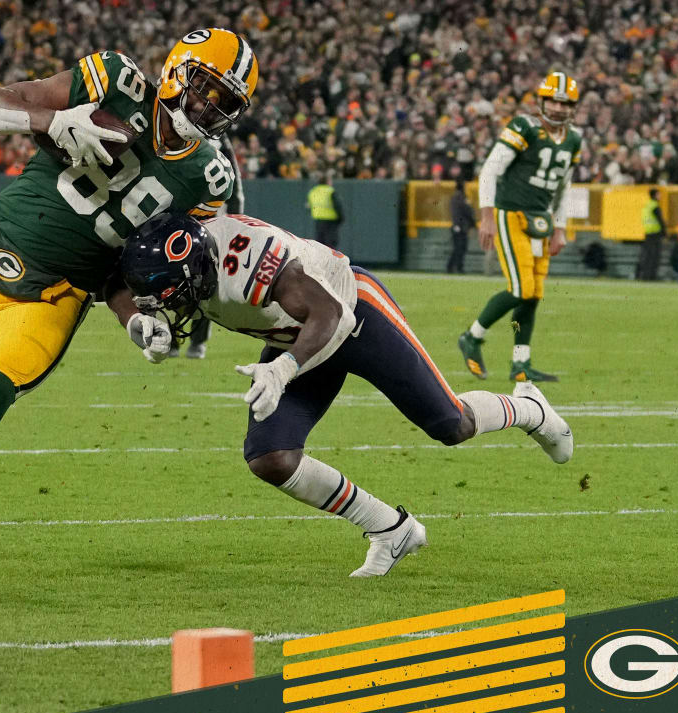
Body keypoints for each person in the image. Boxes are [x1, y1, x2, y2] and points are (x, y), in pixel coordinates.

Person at [0, 29, 258, 588]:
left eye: (226, 103)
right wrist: (53, 122)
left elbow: (134, 266)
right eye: (206, 89)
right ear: (177, 70)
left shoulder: (208, 177)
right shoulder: (116, 81)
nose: (210, 108)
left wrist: (138, 316)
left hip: (58, 293)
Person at [117, 213, 573, 577]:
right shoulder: (196, 248)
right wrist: (140, 324)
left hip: (354, 313)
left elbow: (329, 313)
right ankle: (390, 529)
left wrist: (284, 368)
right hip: (295, 335)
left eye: (171, 297)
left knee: (451, 424)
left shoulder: (251, 269)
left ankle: (529, 408)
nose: (170, 307)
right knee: (271, 456)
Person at [458, 72, 584, 383]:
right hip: (510, 214)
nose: (557, 108)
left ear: (573, 107)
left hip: (541, 219)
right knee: (521, 288)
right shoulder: (523, 126)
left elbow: (564, 186)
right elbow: (490, 170)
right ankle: (472, 337)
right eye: (553, 101)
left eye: (564, 103)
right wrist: (487, 216)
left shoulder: (574, 138)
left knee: (533, 294)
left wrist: (560, 227)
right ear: (542, 101)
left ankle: (520, 363)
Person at [173, 144, 246, 359]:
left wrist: (234, 226)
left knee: (204, 284)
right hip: (182, 220)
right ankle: (172, 338)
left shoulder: (219, 141)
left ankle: (197, 341)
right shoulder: (183, 136)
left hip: (209, 223)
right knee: (172, 282)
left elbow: (235, 190)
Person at [634, 188, 665, 280]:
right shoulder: (655, 206)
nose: (660, 196)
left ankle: (642, 275)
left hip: (647, 233)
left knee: (646, 255)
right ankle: (651, 276)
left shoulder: (647, 205)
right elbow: (660, 220)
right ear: (655, 195)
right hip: (655, 234)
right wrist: (664, 232)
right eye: (659, 194)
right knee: (654, 256)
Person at [307, 171, 342, 249]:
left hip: (318, 221)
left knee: (320, 245)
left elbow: (310, 206)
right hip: (331, 222)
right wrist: (341, 219)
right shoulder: (330, 191)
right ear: (327, 182)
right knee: (331, 245)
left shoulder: (312, 191)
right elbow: (338, 206)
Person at [447, 178, 475, 273]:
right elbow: (468, 212)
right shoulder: (461, 198)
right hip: (461, 226)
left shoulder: (455, 197)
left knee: (458, 248)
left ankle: (452, 267)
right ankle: (456, 267)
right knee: (460, 248)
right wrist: (472, 224)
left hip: (457, 226)